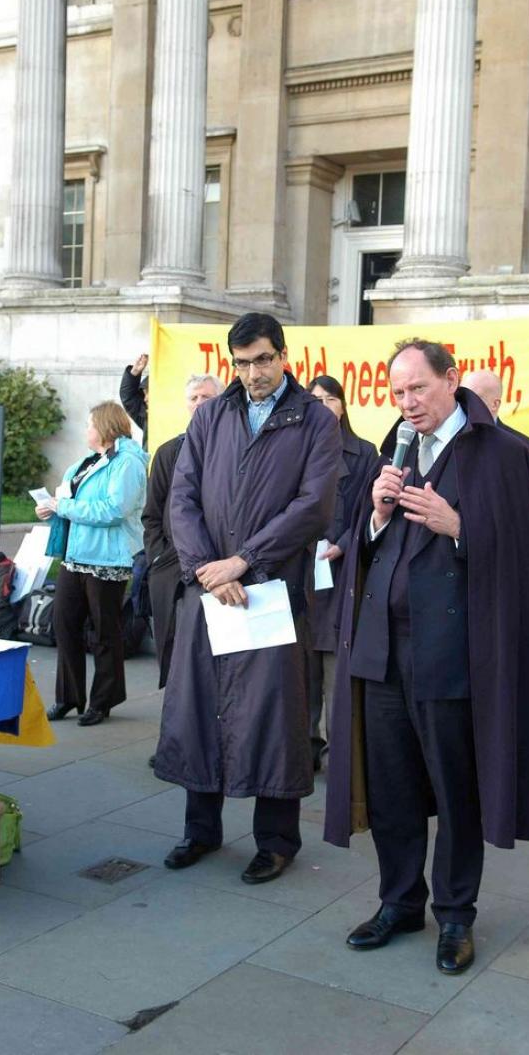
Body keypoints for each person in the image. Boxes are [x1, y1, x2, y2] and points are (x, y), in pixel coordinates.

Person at [324, 339, 529, 975]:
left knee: (456, 788)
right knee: (391, 789)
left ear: (452, 380)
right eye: (397, 392)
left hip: (452, 654)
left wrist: (458, 526)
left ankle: (456, 916)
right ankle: (399, 901)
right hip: (381, 650)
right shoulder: (394, 449)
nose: (407, 403)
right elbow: (364, 544)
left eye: (418, 389)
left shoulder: (506, 454)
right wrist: (378, 516)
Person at [154, 311, 341, 884]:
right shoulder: (211, 415)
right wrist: (209, 570)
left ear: (284, 356)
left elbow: (312, 506)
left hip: (272, 594)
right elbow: (181, 499)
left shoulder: (314, 422)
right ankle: (200, 830)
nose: (253, 372)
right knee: (199, 710)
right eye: (242, 362)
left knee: (273, 718)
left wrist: (245, 560)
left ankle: (277, 841)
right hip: (209, 589)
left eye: (262, 359)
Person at [37, 401, 148, 726]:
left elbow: (114, 509)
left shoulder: (127, 462)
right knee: (65, 626)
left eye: (89, 424)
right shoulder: (87, 462)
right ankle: (68, 697)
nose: (86, 430)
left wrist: (65, 507)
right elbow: (65, 498)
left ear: (105, 427)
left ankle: (103, 701)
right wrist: (49, 508)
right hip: (75, 557)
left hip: (107, 560)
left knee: (104, 633)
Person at [305, 375, 378, 771]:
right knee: (303, 669)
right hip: (303, 570)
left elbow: (370, 512)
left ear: (343, 405)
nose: (322, 405)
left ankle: (339, 756)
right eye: (314, 399)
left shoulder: (364, 453)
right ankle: (305, 747)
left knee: (335, 668)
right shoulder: (296, 449)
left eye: (329, 398)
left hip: (342, 572)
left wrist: (345, 545)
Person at [143, 373, 225, 691]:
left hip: (218, 565)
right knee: (174, 649)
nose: (200, 403)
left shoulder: (232, 450)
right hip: (171, 565)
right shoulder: (168, 452)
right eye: (194, 398)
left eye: (207, 397)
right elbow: (151, 514)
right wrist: (158, 556)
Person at [461, 368, 529, 470]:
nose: (464, 402)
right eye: (462, 396)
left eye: (474, 398)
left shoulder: (526, 450)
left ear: (494, 404)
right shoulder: (443, 440)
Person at [120, 353, 149, 448]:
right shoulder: (147, 417)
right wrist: (134, 373)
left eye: (149, 393)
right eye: (144, 394)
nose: (146, 398)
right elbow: (129, 398)